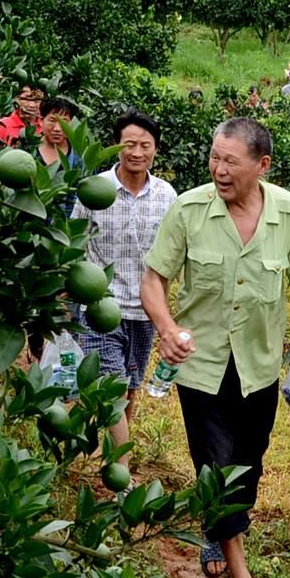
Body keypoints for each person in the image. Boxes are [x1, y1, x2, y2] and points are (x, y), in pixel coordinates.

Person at [141, 117, 290, 578]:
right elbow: (153, 281)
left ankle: (216, 528)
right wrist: (166, 330)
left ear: (262, 165)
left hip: (259, 368)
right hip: (199, 366)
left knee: (247, 465)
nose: (219, 170)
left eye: (231, 161)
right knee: (216, 467)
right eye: (214, 158)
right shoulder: (189, 210)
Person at [78, 110, 178, 471]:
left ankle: (112, 450)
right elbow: (74, 244)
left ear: (155, 150)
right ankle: (122, 471)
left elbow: (175, 250)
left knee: (130, 389)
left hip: (145, 310)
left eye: (145, 145)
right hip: (101, 306)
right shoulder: (94, 190)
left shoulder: (167, 195)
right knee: (114, 388)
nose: (137, 152)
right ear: (117, 146)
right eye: (129, 144)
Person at [37, 94, 88, 215]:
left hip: (67, 227)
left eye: (64, 122)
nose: (57, 128)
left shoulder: (80, 159)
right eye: (52, 120)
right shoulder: (27, 154)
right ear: (41, 120)